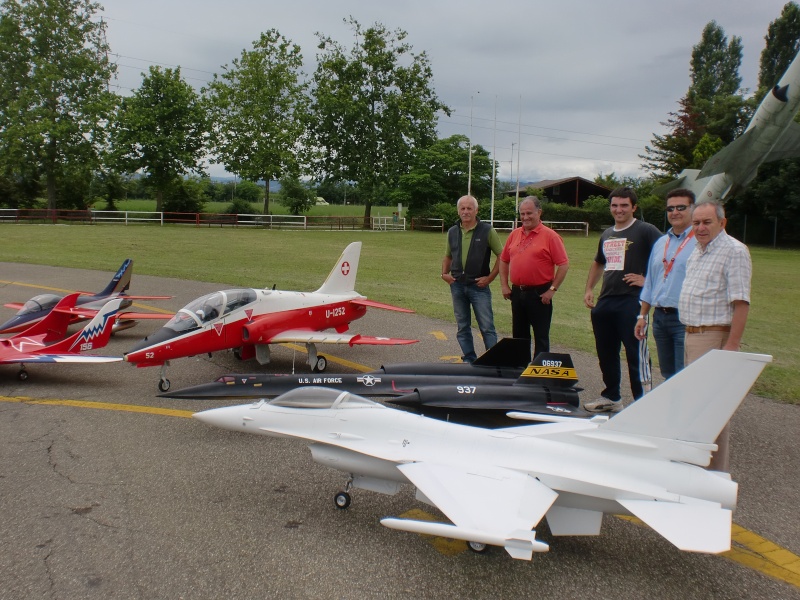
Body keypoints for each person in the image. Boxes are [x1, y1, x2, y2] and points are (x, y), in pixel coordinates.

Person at [679, 200, 752, 472]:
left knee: (711, 411)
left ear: (722, 222)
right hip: (692, 335)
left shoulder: (734, 251)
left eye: (706, 222)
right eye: (696, 222)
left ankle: (712, 475)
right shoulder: (698, 250)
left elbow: (741, 301)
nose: (700, 227)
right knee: (695, 408)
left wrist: (731, 345)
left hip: (713, 337)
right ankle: (696, 466)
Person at [583, 187, 661, 413]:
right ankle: (612, 398)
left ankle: (642, 405)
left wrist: (646, 280)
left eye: (624, 205)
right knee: (606, 352)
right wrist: (589, 288)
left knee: (636, 354)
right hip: (606, 301)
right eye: (615, 205)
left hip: (633, 302)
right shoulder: (607, 234)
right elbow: (599, 262)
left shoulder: (646, 230)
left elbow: (668, 256)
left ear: (634, 207)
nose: (619, 209)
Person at [634, 188, 697, 379]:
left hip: (685, 319)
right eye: (670, 209)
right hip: (661, 318)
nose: (675, 212)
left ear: (693, 209)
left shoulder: (700, 242)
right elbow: (651, 282)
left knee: (684, 374)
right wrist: (642, 316)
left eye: (681, 207)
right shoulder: (661, 242)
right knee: (668, 374)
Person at [498, 196, 569, 362]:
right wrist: (504, 285)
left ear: (539, 212)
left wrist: (551, 290)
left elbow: (563, 265)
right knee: (519, 335)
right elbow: (503, 259)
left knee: (541, 336)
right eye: (522, 214)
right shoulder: (515, 234)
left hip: (540, 294)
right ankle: (520, 368)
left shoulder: (550, 236)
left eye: (529, 213)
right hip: (517, 292)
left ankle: (539, 373)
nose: (525, 217)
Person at [442, 195, 503, 363]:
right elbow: (448, 256)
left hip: (479, 287)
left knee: (487, 326)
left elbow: (502, 256)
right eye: (463, 208)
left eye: (469, 208)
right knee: (462, 326)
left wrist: (490, 278)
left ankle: (493, 361)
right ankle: (469, 358)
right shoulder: (453, 231)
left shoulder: (487, 230)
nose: (466, 211)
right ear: (458, 210)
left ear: (476, 210)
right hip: (457, 286)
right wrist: (444, 274)